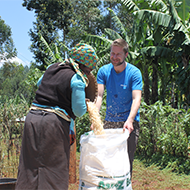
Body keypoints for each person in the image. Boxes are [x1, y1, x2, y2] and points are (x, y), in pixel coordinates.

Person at [15, 43, 98, 190]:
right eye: (89, 69)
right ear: (84, 65)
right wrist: (86, 102)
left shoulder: (52, 68)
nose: (89, 73)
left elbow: (40, 83)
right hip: (53, 124)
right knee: (53, 169)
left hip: (32, 118)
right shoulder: (77, 79)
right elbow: (79, 111)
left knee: (30, 166)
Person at [94, 39, 143, 178]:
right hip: (110, 121)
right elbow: (99, 96)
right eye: (112, 53)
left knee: (126, 162)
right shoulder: (103, 71)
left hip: (128, 123)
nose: (114, 57)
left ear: (126, 54)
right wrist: (95, 118)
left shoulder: (134, 73)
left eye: (118, 54)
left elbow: (136, 98)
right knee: (108, 160)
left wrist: (130, 120)